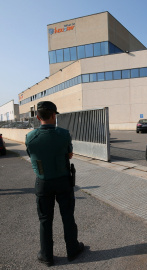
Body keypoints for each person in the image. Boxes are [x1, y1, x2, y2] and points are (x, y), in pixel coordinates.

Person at [25, 101, 84, 266]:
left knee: (45, 219)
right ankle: (72, 250)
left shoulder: (30, 137)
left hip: (43, 183)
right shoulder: (64, 134)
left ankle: (46, 255)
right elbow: (70, 154)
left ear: (37, 117)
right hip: (63, 181)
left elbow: (32, 155)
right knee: (67, 217)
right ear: (54, 115)